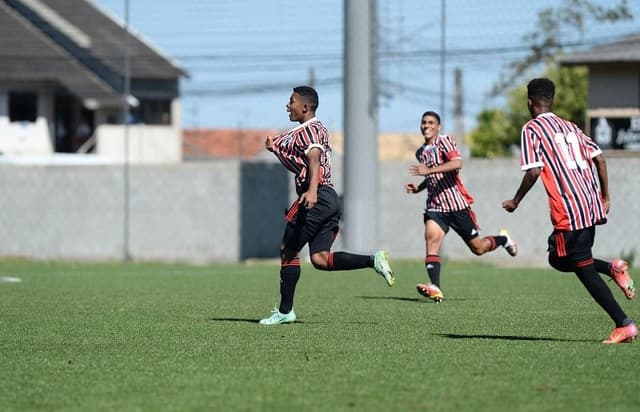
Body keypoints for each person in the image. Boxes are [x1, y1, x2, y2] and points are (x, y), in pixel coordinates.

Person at [502, 78, 637, 344]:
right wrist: (605, 196)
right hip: (590, 204)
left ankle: (624, 324)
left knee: (580, 267)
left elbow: (534, 170)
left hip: (569, 209)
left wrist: (516, 200)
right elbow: (599, 158)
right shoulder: (570, 126)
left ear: (530, 102)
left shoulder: (532, 129)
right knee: (560, 259)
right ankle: (613, 268)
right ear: (552, 101)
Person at [259, 85, 395, 325]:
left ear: (305, 106)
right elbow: (300, 162)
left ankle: (284, 311)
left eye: (291, 101)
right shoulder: (308, 130)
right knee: (321, 259)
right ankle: (373, 260)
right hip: (328, 197)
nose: (287, 105)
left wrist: (311, 190)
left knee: (288, 250)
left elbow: (313, 157)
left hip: (317, 196)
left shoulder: (310, 131)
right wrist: (275, 149)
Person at [405, 111, 517, 303]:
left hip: (457, 206)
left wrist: (428, 171)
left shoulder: (445, 141)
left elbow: (457, 163)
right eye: (423, 122)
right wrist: (418, 189)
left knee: (478, 248)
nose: (426, 125)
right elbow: (432, 176)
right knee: (431, 241)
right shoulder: (421, 152)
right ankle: (436, 287)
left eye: (431, 122)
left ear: (438, 126)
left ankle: (503, 239)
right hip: (435, 207)